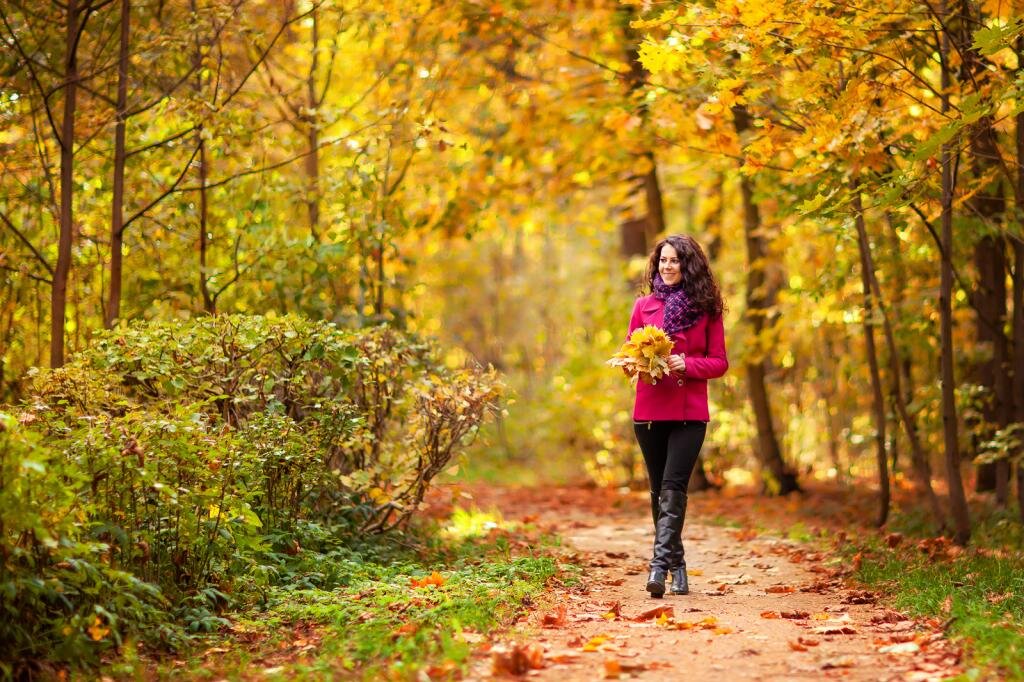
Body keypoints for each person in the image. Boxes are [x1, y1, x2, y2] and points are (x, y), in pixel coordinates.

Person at [626, 235, 728, 598]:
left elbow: (720, 363)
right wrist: (634, 362)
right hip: (650, 410)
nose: (668, 266)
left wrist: (688, 363)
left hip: (689, 413)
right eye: (663, 260)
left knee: (673, 489)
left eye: (675, 261)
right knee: (658, 493)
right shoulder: (643, 306)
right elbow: (629, 351)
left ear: (689, 265)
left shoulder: (707, 309)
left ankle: (657, 567)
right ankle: (677, 565)